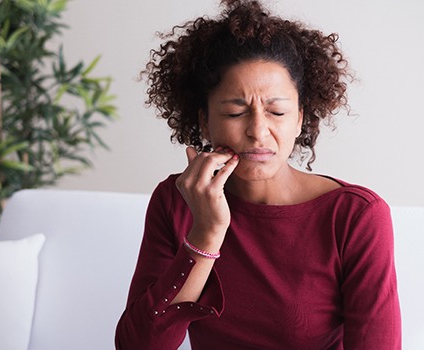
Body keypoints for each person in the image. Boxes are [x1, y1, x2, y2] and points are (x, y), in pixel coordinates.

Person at [115, 0, 401, 348]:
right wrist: (206, 234)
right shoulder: (176, 201)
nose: (258, 131)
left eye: (277, 112)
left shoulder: (356, 216)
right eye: (235, 113)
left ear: (299, 119)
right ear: (204, 120)